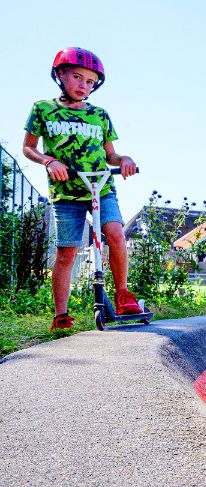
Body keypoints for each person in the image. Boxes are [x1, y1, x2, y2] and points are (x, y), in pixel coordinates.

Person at [22, 47, 142, 332]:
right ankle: (61, 315)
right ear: (60, 75)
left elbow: (110, 155)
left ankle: (123, 296)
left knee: (115, 234)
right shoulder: (43, 109)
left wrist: (123, 160)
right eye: (77, 77)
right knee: (67, 252)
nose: (83, 86)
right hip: (66, 192)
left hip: (101, 186)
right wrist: (49, 160)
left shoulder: (100, 115)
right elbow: (29, 147)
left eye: (89, 82)